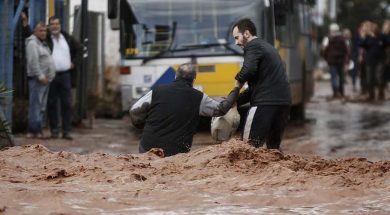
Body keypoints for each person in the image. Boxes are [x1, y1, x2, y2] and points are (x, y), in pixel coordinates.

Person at [129, 63, 240, 157]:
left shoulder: (157, 91)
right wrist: (236, 89)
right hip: (176, 152)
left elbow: (134, 111)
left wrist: (142, 127)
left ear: (175, 76)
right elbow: (221, 109)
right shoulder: (199, 98)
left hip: (147, 147)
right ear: (193, 79)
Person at [232, 18, 291, 150]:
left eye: (237, 38)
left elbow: (248, 70)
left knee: (247, 148)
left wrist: (236, 87)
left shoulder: (253, 46)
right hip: (283, 103)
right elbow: (258, 87)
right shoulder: (268, 47)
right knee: (273, 148)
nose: (236, 43)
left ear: (246, 33)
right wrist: (236, 100)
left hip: (265, 104)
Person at [46, 16, 81, 140]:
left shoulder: (67, 38)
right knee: (52, 103)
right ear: (49, 26)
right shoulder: (46, 39)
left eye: (57, 24)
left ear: (60, 25)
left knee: (66, 103)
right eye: (52, 24)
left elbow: (79, 49)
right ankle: (54, 130)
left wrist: (74, 63)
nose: (55, 26)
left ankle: (66, 131)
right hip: (52, 75)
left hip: (66, 75)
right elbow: (31, 37)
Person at [26, 21, 56, 138]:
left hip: (45, 80)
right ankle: (33, 130)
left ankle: (37, 129)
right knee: (35, 105)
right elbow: (33, 63)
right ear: (35, 31)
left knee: (41, 106)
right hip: (37, 80)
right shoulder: (32, 43)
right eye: (41, 30)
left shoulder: (42, 43)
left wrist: (49, 77)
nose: (43, 33)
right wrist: (41, 76)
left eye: (44, 31)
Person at [324, 23, 349, 99]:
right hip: (340, 61)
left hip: (332, 61)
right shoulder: (342, 39)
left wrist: (327, 58)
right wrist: (345, 60)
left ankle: (335, 92)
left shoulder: (328, 39)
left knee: (334, 77)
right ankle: (341, 92)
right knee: (340, 77)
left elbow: (325, 50)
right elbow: (346, 50)